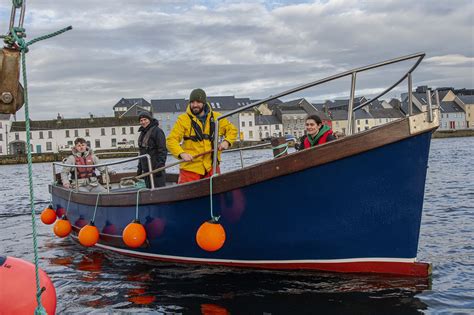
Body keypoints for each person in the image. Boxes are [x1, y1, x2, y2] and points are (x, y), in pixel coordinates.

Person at [166, 88, 237, 184]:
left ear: (204, 103)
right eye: (192, 102)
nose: (195, 105)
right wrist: (181, 154)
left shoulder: (217, 117)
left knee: (218, 192)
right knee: (188, 196)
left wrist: (227, 141)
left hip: (212, 167)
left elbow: (232, 130)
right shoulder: (182, 120)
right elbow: (171, 140)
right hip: (190, 169)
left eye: (198, 102)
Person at [137, 111, 167, 188]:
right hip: (146, 170)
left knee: (159, 190)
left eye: (145, 119)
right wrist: (139, 168)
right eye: (141, 120)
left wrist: (160, 167)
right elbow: (142, 152)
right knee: (148, 190)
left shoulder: (158, 131)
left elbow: (162, 150)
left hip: (156, 169)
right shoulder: (142, 133)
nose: (143, 122)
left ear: (150, 119)